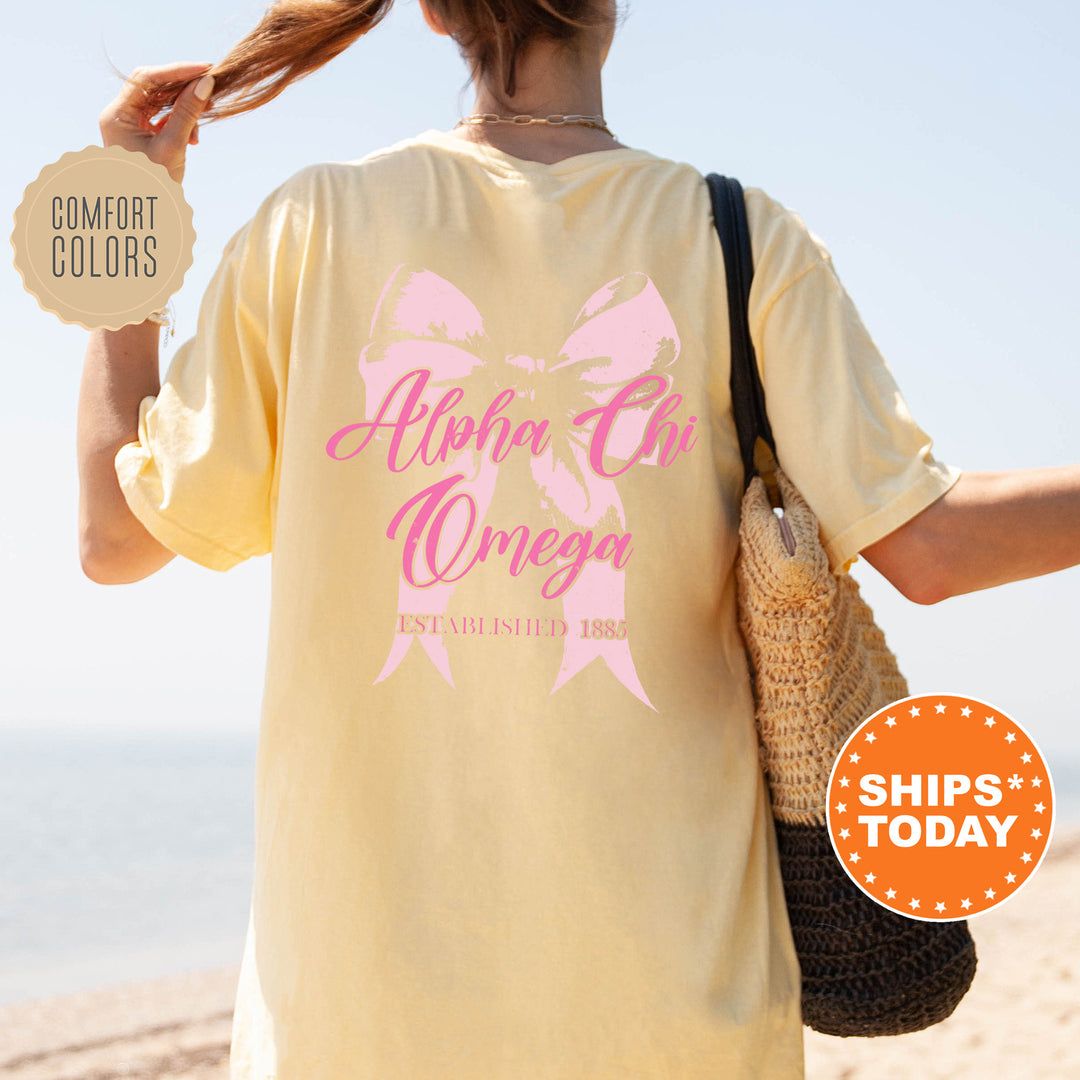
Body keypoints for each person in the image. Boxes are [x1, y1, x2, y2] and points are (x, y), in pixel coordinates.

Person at [77, 2, 1080, 1078]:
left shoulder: (313, 225)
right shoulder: (737, 240)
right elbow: (929, 550)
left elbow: (115, 539)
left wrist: (129, 214)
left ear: (429, 12)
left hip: (356, 1016)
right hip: (675, 1006)